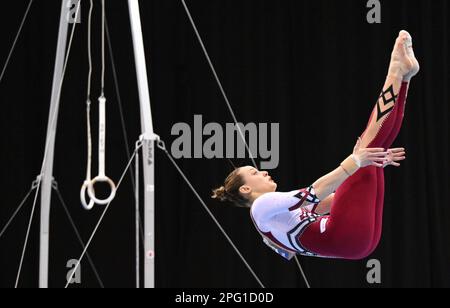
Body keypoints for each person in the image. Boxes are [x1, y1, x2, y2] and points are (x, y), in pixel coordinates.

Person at [212, 30, 420, 260]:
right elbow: (314, 192)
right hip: (344, 236)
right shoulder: (261, 205)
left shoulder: (275, 216)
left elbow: (327, 203)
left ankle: (405, 76)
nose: (263, 171)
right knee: (367, 146)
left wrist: (364, 167)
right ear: (245, 189)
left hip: (356, 244)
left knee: (375, 150)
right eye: (254, 172)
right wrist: (354, 162)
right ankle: (396, 70)